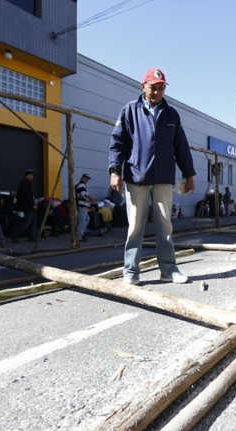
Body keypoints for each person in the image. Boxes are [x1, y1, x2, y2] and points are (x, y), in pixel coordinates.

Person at [109, 67, 196, 285]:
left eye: (161, 88)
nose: (157, 92)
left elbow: (181, 147)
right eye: (153, 88)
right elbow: (117, 144)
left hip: (164, 178)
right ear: (143, 87)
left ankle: (168, 270)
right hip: (136, 177)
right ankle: (131, 271)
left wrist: (189, 174)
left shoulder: (171, 115)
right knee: (135, 227)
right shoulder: (129, 111)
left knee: (165, 226)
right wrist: (114, 171)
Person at [9, 169, 38, 243]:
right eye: (29, 175)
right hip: (27, 206)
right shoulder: (24, 183)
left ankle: (32, 236)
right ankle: (14, 234)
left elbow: (30, 196)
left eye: (32, 175)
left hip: (29, 206)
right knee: (27, 222)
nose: (31, 177)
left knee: (33, 221)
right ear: (26, 176)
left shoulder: (28, 183)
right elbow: (27, 196)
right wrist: (33, 204)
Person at [75, 174, 94, 242]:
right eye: (86, 178)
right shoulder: (81, 185)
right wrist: (90, 197)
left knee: (86, 219)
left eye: (88, 179)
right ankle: (79, 236)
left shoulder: (80, 185)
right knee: (82, 221)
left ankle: (81, 233)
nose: (87, 180)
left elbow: (81, 195)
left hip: (81, 205)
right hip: (81, 206)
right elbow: (83, 194)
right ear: (82, 178)